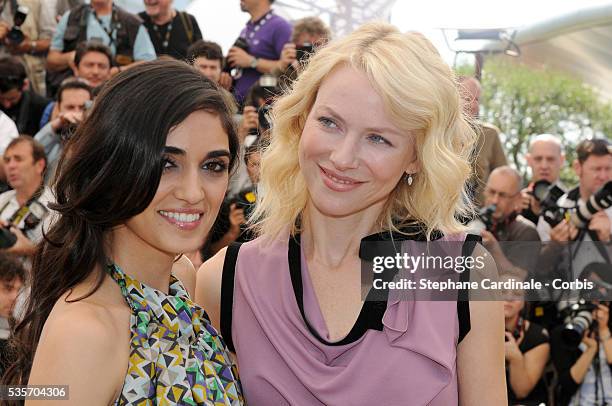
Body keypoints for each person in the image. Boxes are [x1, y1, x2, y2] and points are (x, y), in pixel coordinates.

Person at [197, 22, 506, 405]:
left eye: (378, 138)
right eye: (329, 122)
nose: (342, 158)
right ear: (299, 121)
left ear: (415, 157)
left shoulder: (463, 274)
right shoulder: (225, 280)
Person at [2, 60, 243, 404]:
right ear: (113, 166)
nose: (193, 192)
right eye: (166, 164)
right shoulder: (85, 333)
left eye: (213, 166)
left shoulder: (181, 280)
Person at [46, 0, 156, 96]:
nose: (95, 71)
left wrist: (118, 72)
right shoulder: (71, 17)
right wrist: (69, 57)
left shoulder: (132, 23)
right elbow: (51, 60)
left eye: (100, 66)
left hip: (116, 93)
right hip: (75, 93)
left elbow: (150, 64)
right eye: (90, 65)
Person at [458, 75, 507, 208]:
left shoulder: (489, 134)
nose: (473, 105)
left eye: (477, 99)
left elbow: (505, 176)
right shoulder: (437, 133)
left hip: (478, 215)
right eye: (467, 98)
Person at [229, 0, 291, 106]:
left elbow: (288, 70)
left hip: (260, 108)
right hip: (237, 104)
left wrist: (252, 62)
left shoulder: (280, 27)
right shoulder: (246, 28)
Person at [34, 78, 92, 184]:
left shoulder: (100, 136)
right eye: (70, 107)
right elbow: (31, 155)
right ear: (58, 108)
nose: (76, 113)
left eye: (82, 108)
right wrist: (55, 125)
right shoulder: (53, 137)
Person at [502, 282, 550, 405]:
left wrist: (515, 358)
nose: (509, 298)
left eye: (517, 294)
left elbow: (521, 391)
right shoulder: (476, 331)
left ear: (524, 303)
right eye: (502, 291)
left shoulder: (538, 336)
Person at [520, 133, 566, 225]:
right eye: (538, 159)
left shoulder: (571, 203)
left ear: (562, 160)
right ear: (528, 160)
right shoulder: (517, 203)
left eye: (550, 159)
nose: (544, 166)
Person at [0, 56, 50, 135]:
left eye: (12, 99)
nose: (7, 105)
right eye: (1, 99)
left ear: (25, 85)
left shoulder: (42, 108)